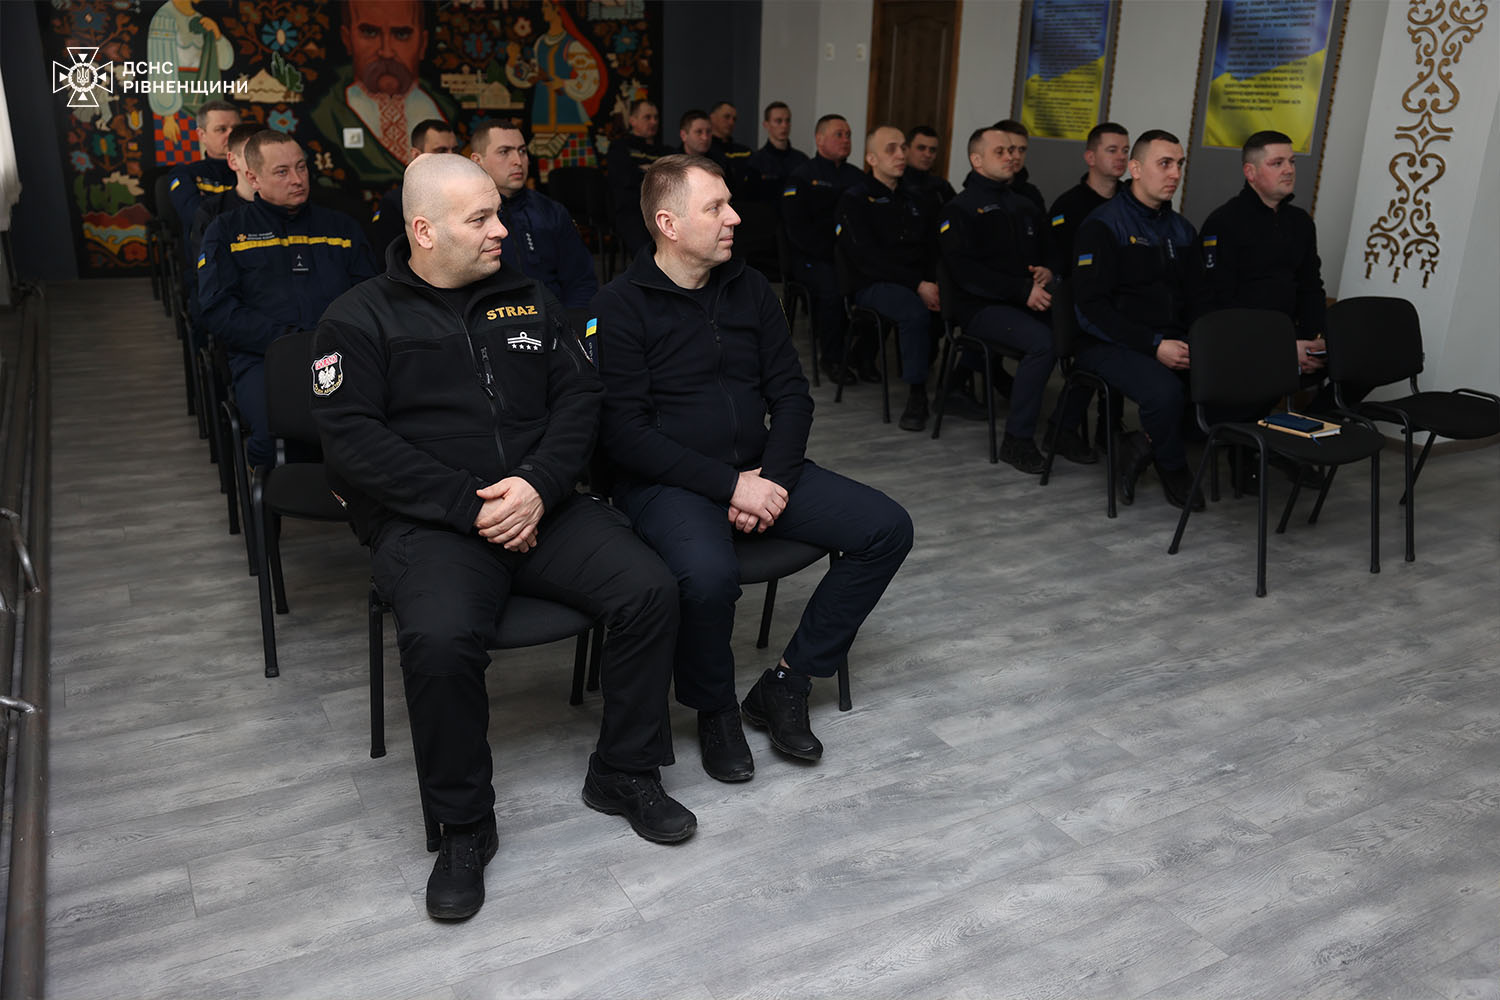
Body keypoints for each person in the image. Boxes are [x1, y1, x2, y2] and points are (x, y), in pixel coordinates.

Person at [311, 154, 695, 922]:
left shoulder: (528, 297)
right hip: (433, 525)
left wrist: (538, 486)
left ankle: (624, 772)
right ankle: (463, 826)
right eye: (480, 218)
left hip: (543, 504)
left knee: (651, 590)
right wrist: (473, 506)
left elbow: (580, 400)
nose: (502, 230)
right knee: (440, 640)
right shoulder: (358, 318)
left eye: (499, 213)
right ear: (425, 231)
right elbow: (354, 444)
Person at [591, 154, 912, 784]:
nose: (734, 217)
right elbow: (624, 436)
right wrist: (730, 486)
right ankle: (715, 709)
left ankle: (787, 682)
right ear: (669, 224)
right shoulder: (619, 305)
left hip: (761, 470)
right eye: (715, 207)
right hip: (668, 483)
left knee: (886, 528)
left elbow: (791, 395)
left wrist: (772, 480)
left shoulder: (750, 287)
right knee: (708, 577)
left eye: (730, 203)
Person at [198, 131, 377, 468]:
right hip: (265, 358)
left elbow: (370, 295)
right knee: (272, 439)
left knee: (378, 427)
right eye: (282, 172)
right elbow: (218, 310)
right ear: (253, 178)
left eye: (301, 167)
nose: (297, 179)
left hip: (343, 352)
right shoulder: (226, 231)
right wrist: (290, 341)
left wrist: (336, 339)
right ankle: (273, 496)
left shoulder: (341, 227)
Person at [939, 125, 1095, 472]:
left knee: (1085, 335)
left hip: (1025, 299)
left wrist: (1048, 271)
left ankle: (1063, 427)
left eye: (1013, 151)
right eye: (1000, 152)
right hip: (980, 307)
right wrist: (1021, 290)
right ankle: (1017, 440)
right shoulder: (960, 209)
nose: (1011, 157)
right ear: (977, 160)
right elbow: (966, 274)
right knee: (1043, 343)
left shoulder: (1024, 205)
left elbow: (1052, 253)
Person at [1071, 129, 1208, 509]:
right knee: (1165, 393)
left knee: (1227, 382)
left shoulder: (1182, 229)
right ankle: (1172, 466)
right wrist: (1154, 345)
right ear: (1135, 168)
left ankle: (1140, 443)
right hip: (1107, 341)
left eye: (1179, 164)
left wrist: (1200, 343)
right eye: (1164, 164)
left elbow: (1199, 299)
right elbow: (1091, 309)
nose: (1175, 173)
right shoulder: (1103, 225)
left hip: (1169, 338)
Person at [1201, 129, 1337, 488]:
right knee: (1266, 378)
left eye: (1291, 161)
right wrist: (1284, 349)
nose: (1289, 169)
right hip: (1243, 342)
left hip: (1293, 339)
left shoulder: (1300, 223)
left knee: (1353, 364)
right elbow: (1221, 307)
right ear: (1250, 172)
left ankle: (1284, 441)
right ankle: (1255, 446)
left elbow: (1311, 287)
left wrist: (1313, 339)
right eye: (1277, 163)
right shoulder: (1224, 222)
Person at [835, 125, 945, 432]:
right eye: (891, 149)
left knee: (949, 301)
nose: (901, 155)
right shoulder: (855, 199)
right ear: (871, 158)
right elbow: (867, 259)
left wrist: (932, 282)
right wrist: (918, 285)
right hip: (871, 283)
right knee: (913, 310)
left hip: (914, 281)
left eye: (902, 148)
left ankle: (953, 383)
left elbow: (930, 248)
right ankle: (917, 395)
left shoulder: (915, 198)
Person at [309, 0, 455, 184]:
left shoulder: (447, 111)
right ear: (347, 39)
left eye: (401, 34)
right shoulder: (325, 114)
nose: (386, 52)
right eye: (369, 32)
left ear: (423, 43)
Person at [471, 119, 599, 308]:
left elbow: (581, 282)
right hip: (492, 321)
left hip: (553, 319)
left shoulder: (552, 212)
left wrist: (571, 322)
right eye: (504, 152)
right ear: (477, 161)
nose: (518, 161)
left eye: (522, 151)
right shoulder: (467, 219)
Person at [782, 114, 865, 385]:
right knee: (834, 288)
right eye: (839, 134)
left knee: (877, 286)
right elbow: (797, 230)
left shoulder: (858, 178)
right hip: (813, 257)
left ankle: (862, 354)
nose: (846, 140)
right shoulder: (803, 176)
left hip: (850, 256)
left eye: (848, 135)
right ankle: (832, 358)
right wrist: (832, 255)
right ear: (820, 140)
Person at [1047, 122, 1128, 278]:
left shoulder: (1132, 201)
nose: (1122, 157)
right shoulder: (1067, 205)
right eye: (1112, 150)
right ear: (1091, 158)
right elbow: (1057, 258)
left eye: (1125, 151)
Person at [369, 119, 462, 254]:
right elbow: (388, 258)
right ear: (416, 155)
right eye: (441, 151)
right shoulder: (396, 202)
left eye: (455, 150)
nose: (451, 157)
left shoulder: (468, 195)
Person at [167, 99, 242, 249]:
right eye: (221, 129)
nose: (231, 134)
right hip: (209, 255)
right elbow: (197, 217)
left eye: (236, 129)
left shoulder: (256, 170)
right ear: (202, 135)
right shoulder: (184, 174)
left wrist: (209, 203)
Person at [188, 122, 261, 267]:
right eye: (253, 155)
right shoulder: (212, 212)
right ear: (233, 161)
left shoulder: (291, 205)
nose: (264, 163)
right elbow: (208, 271)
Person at [608, 99, 667, 259]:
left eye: (656, 117)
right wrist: (657, 173)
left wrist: (645, 170)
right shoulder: (620, 147)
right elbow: (625, 180)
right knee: (648, 253)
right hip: (633, 210)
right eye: (647, 117)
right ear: (632, 120)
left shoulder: (665, 150)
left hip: (664, 207)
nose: (653, 122)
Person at [741, 101, 809, 201]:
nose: (784, 125)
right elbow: (749, 200)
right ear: (766, 125)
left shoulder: (801, 160)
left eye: (787, 121)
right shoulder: (756, 161)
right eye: (778, 121)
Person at [993, 119, 1046, 214]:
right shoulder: (976, 192)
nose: (1017, 156)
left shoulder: (1031, 194)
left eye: (1022, 150)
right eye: (1011, 149)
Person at [902, 125, 956, 212]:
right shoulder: (894, 183)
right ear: (905, 150)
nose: (927, 154)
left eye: (932, 150)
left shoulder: (941, 186)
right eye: (921, 148)